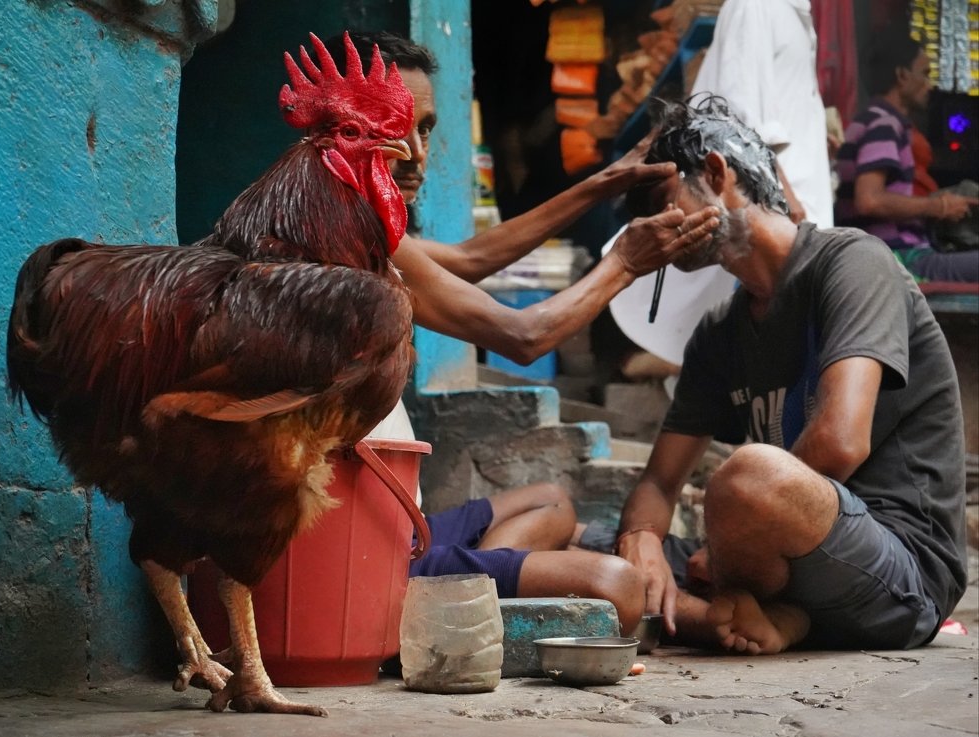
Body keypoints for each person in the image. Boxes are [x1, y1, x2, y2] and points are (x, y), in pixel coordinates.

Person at [323, 31, 721, 636]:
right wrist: (626, 263)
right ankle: (451, 610)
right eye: (393, 128)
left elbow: (470, 259)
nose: (416, 153)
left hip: (394, 526)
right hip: (360, 554)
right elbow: (526, 335)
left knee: (552, 503)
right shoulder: (346, 240)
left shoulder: (365, 228)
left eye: (425, 129)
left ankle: (467, 601)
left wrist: (599, 184)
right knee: (618, 586)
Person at [606, 95, 967, 654]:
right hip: (797, 557)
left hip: (904, 572)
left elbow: (841, 442)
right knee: (584, 542)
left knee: (748, 477)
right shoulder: (718, 332)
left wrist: (724, 543)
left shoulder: (853, 261)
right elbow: (658, 482)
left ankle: (743, 605)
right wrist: (641, 540)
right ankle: (775, 616)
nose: (653, 228)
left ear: (717, 173)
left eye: (660, 202)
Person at [834, 30, 978, 283]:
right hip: (901, 258)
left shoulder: (868, 119)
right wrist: (938, 207)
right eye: (924, 73)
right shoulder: (884, 124)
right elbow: (869, 200)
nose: (930, 84)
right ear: (902, 75)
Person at [690, 0, 834, 228]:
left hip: (796, 204)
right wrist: (781, 193)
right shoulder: (754, 5)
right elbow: (737, 115)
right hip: (778, 207)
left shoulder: (794, 14)